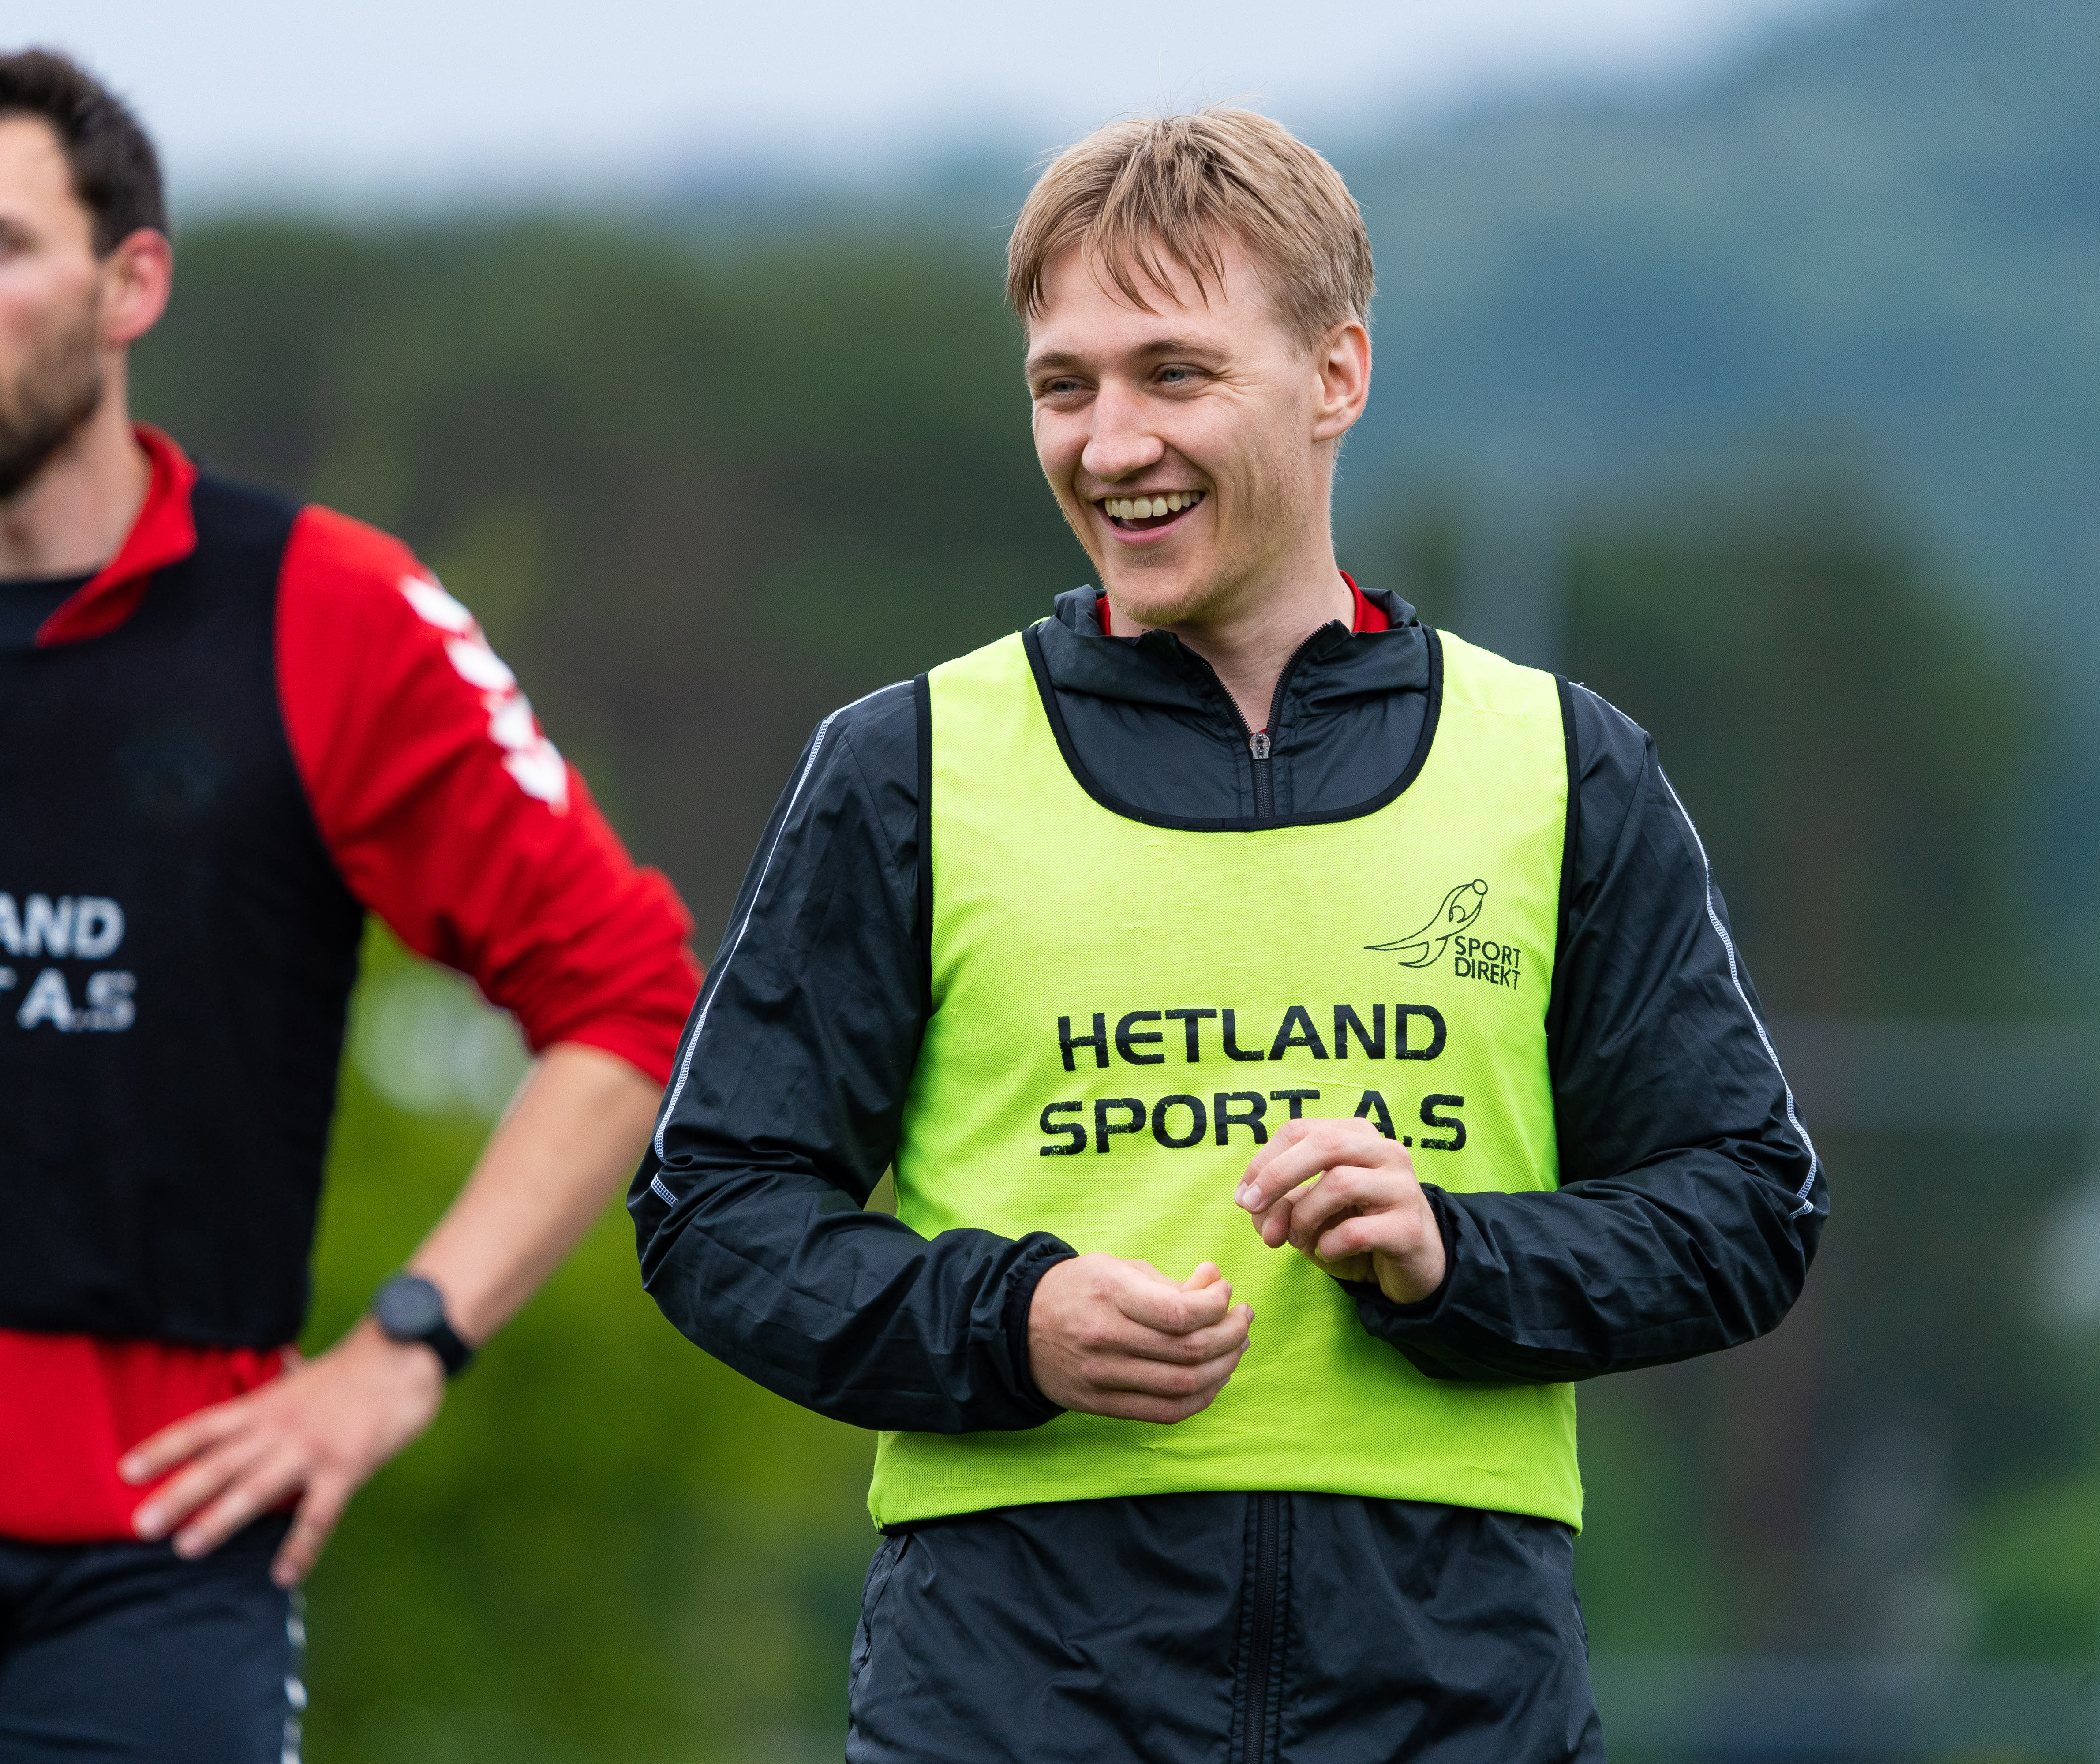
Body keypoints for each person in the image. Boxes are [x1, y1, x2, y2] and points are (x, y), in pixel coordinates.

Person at [634, 106, 1827, 1761]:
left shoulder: (1562, 765)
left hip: (1447, 1700)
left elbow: (1748, 1210)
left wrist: (1458, 1257)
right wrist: (1009, 1326)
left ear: (1336, 375)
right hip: (1010, 1701)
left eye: (1174, 375)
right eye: (1065, 386)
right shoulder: (909, 764)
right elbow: (710, 1209)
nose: (1110, 443)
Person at [0, 50, 700, 1763]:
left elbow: (629, 997)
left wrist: (405, 1350)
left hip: (161, 1542)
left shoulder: (327, 612)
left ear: (133, 283)